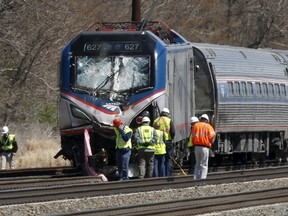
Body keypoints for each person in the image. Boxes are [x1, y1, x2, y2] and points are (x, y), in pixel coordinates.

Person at [192, 114, 216, 180]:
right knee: (204, 164)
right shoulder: (208, 126)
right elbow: (213, 135)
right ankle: (202, 179)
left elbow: (192, 136)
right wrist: (210, 142)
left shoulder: (195, 126)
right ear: (207, 120)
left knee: (197, 164)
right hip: (205, 147)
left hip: (196, 147)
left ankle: (196, 178)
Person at [153, 108, 175, 177]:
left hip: (157, 143)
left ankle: (158, 176)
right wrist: (171, 138)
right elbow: (173, 132)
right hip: (168, 142)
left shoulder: (155, 120)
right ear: (167, 114)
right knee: (168, 159)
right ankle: (167, 175)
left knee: (157, 160)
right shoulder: (169, 120)